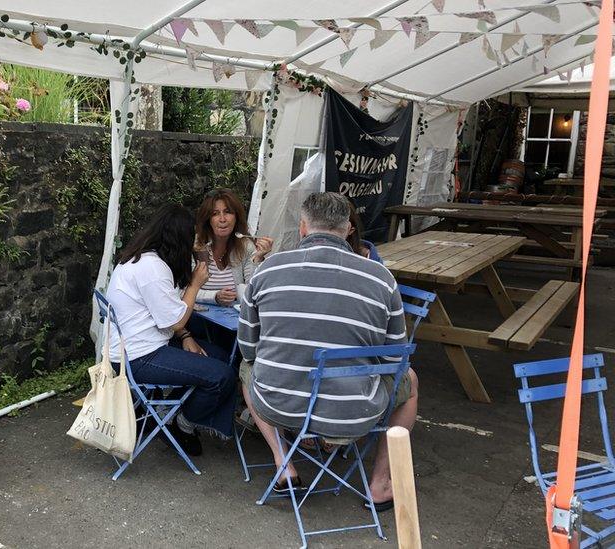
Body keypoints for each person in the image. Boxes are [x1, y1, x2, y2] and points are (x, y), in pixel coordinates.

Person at [237, 192, 417, 507]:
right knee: (411, 380)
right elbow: (395, 360)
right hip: (353, 412)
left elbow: (249, 349)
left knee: (246, 369)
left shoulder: (267, 271)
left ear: (303, 228)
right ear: (348, 228)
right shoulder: (380, 278)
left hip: (278, 403)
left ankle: (284, 465)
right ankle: (380, 484)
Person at [106, 204, 239, 456]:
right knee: (222, 376)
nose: (193, 244)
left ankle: (170, 412)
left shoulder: (142, 258)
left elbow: (166, 311)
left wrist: (187, 336)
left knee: (220, 356)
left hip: (143, 343)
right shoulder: (152, 268)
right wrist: (196, 283)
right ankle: (182, 424)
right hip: (139, 357)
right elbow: (175, 320)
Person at [194, 189, 273, 306]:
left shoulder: (246, 246)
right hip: (198, 319)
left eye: (227, 212)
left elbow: (252, 292)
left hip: (232, 319)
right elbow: (182, 291)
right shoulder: (196, 246)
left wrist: (258, 258)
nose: (222, 219)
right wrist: (215, 296)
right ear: (207, 219)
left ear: (236, 217)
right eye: (215, 214)